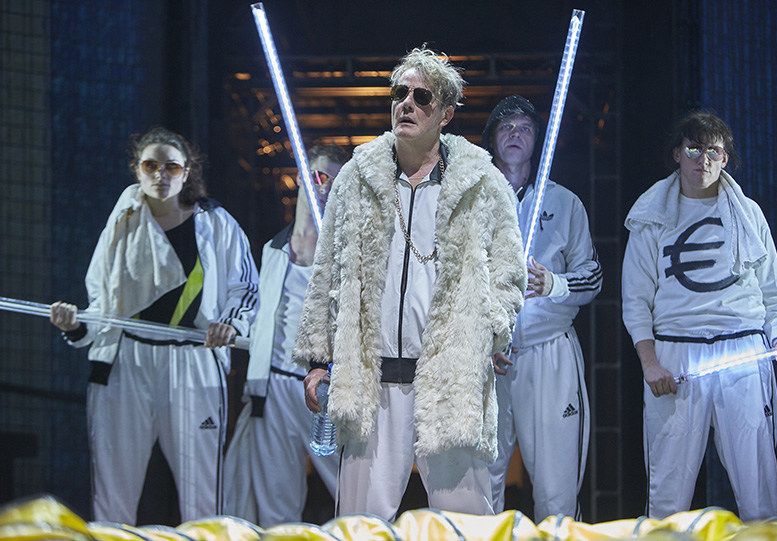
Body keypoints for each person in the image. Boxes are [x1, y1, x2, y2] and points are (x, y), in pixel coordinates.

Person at [292, 47, 527, 522]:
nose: (407, 104)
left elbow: (509, 272)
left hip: (450, 381)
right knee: (359, 525)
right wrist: (318, 360)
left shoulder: (482, 182)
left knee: (466, 524)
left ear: (446, 114)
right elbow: (327, 273)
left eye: (422, 97)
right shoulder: (356, 177)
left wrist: (490, 332)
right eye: (400, 93)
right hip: (372, 381)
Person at [50, 126, 259, 524]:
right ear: (137, 169)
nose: (161, 174)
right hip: (126, 363)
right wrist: (75, 326)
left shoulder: (216, 222)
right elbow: (102, 301)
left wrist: (230, 324)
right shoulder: (122, 221)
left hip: (194, 360)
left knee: (203, 494)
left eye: (171, 167)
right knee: (113, 492)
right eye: (150, 165)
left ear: (186, 172)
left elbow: (246, 288)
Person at [621, 111, 777, 521]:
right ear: (677, 154)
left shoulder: (748, 214)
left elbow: (772, 291)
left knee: (759, 493)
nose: (703, 159)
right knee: (666, 497)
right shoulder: (650, 216)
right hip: (676, 355)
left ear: (725, 159)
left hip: (742, 352)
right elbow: (635, 298)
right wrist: (649, 363)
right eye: (694, 149)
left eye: (713, 151)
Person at [481, 95, 602, 522]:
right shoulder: (471, 200)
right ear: (492, 138)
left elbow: (593, 277)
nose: (515, 135)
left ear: (538, 139)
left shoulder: (565, 203)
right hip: (486, 358)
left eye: (525, 128)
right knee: (480, 490)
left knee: (556, 494)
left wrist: (554, 284)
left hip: (550, 353)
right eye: (506, 127)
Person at [227, 144, 349, 528]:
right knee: (277, 509)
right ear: (300, 177)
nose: (324, 187)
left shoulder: (349, 252)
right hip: (275, 389)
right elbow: (262, 318)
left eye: (335, 181)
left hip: (328, 389)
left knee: (353, 496)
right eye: (318, 175)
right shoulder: (273, 248)